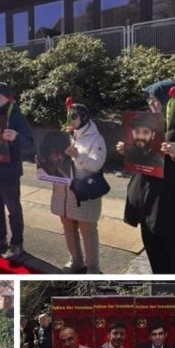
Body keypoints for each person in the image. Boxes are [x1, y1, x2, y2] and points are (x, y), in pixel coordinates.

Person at [121, 80, 175, 274]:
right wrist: (127, 151)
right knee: (155, 259)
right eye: (149, 99)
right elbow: (143, 158)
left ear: (170, 100)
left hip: (170, 210)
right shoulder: (147, 123)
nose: (150, 103)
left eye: (155, 99)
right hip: (146, 204)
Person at [0, 82, 34, 260]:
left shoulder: (16, 117)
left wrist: (16, 137)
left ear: (7, 98)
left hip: (9, 173)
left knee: (13, 210)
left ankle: (17, 244)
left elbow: (29, 143)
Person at [51, 103, 106, 274]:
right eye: (68, 116)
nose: (70, 120)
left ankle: (93, 267)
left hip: (84, 192)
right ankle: (76, 261)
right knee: (67, 226)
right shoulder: (64, 135)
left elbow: (96, 164)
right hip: (63, 191)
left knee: (87, 230)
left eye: (74, 116)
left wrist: (78, 156)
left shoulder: (96, 138)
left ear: (84, 117)